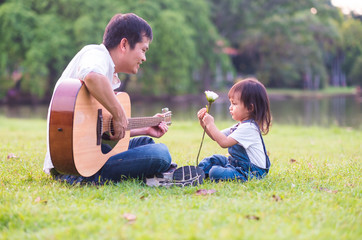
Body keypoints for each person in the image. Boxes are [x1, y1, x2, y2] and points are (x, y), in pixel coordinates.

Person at [44, 13, 204, 186]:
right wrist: (119, 114)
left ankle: (158, 175)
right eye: (143, 50)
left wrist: (145, 128)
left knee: (146, 142)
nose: (144, 58)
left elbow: (99, 131)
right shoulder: (96, 54)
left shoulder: (109, 72)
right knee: (160, 153)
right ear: (124, 44)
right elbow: (91, 76)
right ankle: (159, 175)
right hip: (73, 166)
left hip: (87, 155)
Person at [197, 78, 271, 182]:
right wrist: (203, 122)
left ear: (250, 108)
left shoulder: (249, 128)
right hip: (236, 164)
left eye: (234, 104)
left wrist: (211, 124)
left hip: (252, 172)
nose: (230, 108)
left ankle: (207, 173)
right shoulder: (240, 125)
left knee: (215, 172)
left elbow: (224, 142)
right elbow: (216, 137)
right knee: (214, 159)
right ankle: (196, 173)